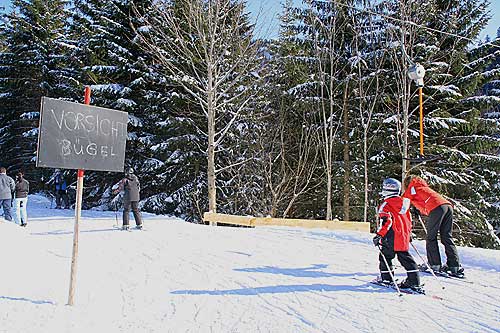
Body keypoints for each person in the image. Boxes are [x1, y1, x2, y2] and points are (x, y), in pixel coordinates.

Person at [402, 175, 463, 277]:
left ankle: (434, 264)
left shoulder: (412, 188)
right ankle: (454, 266)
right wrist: (417, 209)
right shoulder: (422, 187)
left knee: (431, 237)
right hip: (447, 206)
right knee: (447, 237)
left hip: (437, 208)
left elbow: (403, 203)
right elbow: (425, 202)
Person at [373, 178, 422, 291]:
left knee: (385, 256)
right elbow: (408, 221)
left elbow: (387, 221)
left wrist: (379, 235)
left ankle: (387, 279)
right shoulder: (405, 203)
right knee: (406, 258)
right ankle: (414, 281)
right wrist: (408, 234)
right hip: (403, 236)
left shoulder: (386, 205)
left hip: (390, 236)